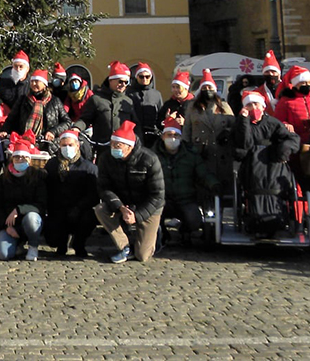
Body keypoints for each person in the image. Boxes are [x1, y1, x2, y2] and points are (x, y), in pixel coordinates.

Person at [229, 89, 301, 237]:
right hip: (251, 166)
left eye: (256, 104)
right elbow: (245, 144)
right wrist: (243, 121)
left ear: (263, 106)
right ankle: (253, 218)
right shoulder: (240, 124)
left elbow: (292, 139)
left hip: (273, 164)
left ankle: (281, 218)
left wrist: (284, 150)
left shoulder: (273, 123)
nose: (254, 108)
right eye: (249, 105)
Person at [94, 120, 164, 263]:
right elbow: (104, 187)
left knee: (143, 256)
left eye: (117, 145)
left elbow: (158, 196)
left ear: (129, 146)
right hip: (122, 203)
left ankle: (155, 235)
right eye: (112, 144)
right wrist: (120, 206)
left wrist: (137, 216)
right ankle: (124, 246)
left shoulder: (149, 159)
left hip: (147, 206)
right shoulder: (106, 158)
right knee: (100, 209)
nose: (113, 148)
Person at [273, 65, 310, 216]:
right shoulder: (286, 101)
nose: (307, 85)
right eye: (303, 83)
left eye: (309, 82)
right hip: (297, 151)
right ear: (295, 84)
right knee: (300, 184)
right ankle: (300, 214)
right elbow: (277, 123)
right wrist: (286, 126)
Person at [154, 113, 218, 245]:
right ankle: (161, 232)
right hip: (162, 199)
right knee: (151, 215)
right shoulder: (153, 156)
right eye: (169, 135)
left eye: (176, 135)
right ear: (163, 136)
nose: (173, 138)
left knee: (194, 221)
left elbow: (203, 173)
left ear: (181, 137)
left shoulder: (190, 155)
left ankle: (185, 230)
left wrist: (214, 184)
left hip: (186, 199)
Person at [43, 128, 99, 257]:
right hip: (57, 210)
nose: (67, 148)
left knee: (89, 218)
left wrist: (79, 207)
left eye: (70, 145)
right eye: (64, 145)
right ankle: (61, 243)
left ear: (77, 146)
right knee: (52, 238)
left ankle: (79, 243)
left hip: (79, 210)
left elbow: (94, 195)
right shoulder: (52, 165)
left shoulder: (89, 168)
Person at [0, 133, 46, 261]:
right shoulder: (3, 179)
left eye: (24, 158)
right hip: (9, 224)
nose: (20, 160)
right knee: (3, 254)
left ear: (30, 160)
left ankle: (33, 246)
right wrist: (6, 227)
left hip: (29, 220)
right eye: (17, 158)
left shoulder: (38, 177)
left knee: (32, 219)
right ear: (12, 160)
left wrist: (19, 209)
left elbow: (41, 205)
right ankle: (18, 244)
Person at [183, 69, 234, 193]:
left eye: (210, 87)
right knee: (202, 183)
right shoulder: (192, 107)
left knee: (222, 184)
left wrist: (227, 132)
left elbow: (234, 125)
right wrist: (186, 148)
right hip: (200, 151)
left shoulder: (223, 106)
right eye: (204, 87)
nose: (207, 90)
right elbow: (187, 129)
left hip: (220, 153)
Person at [80, 62, 136, 148]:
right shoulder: (96, 99)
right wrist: (77, 128)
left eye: (126, 82)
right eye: (120, 81)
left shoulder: (128, 101)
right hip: (102, 147)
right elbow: (85, 119)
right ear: (111, 81)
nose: (123, 85)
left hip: (123, 148)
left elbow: (135, 124)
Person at [10, 69, 67, 142]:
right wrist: (5, 131)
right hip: (25, 143)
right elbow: (11, 119)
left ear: (44, 84)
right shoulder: (23, 100)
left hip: (48, 144)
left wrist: (53, 131)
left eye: (37, 81)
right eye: (32, 81)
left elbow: (66, 122)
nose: (33, 84)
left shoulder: (55, 101)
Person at [127, 63, 164, 144]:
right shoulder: (129, 93)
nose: (144, 79)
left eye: (147, 76)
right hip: (135, 133)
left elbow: (161, 113)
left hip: (152, 134)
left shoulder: (156, 94)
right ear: (136, 77)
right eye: (141, 76)